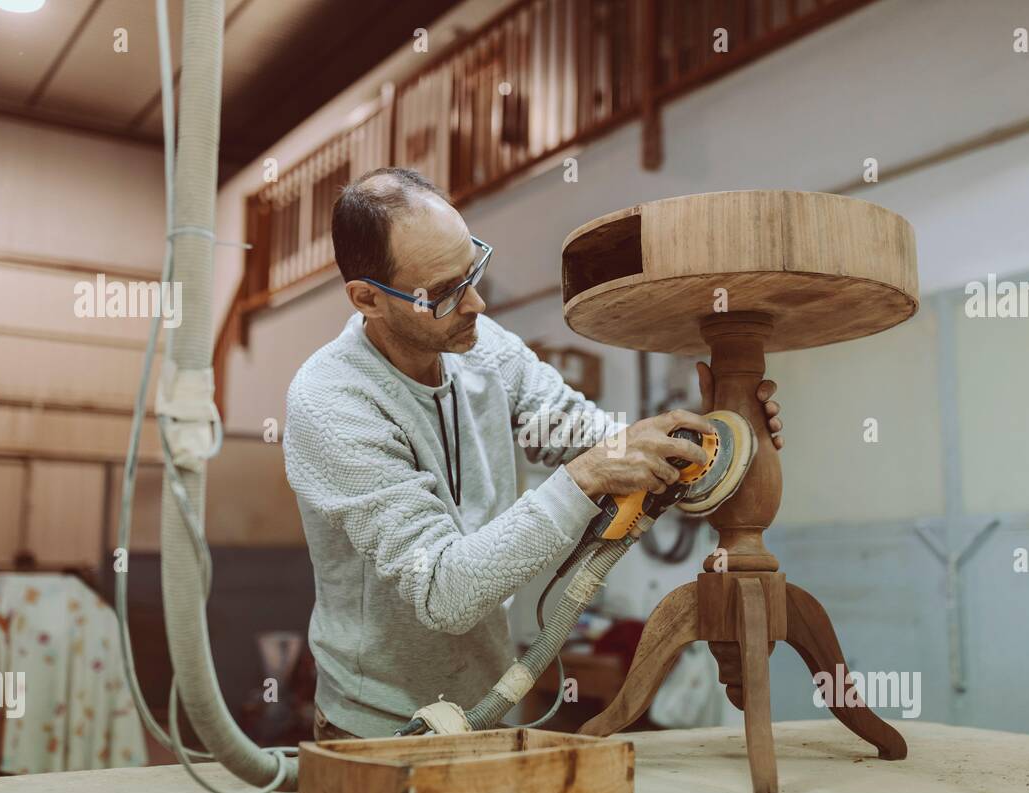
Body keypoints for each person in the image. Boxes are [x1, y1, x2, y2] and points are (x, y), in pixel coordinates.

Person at [283, 167, 783, 739]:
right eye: (444, 294)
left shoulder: (485, 351)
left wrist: (691, 432)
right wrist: (586, 477)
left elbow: (589, 437)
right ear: (368, 298)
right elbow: (445, 591)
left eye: (472, 272)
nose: (474, 303)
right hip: (379, 726)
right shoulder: (332, 402)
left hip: (488, 709)